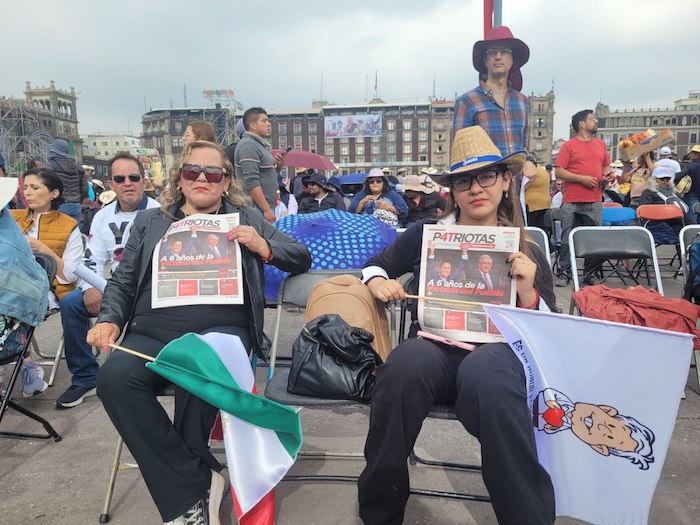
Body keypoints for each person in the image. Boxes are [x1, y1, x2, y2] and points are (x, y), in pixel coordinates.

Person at [89, 140, 311, 525]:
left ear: (226, 182)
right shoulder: (151, 221)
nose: (202, 179)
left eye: (213, 173)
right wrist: (109, 319)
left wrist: (263, 246)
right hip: (151, 330)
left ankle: (187, 502)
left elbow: (301, 256)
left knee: (199, 362)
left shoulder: (245, 217)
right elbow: (124, 282)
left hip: (221, 332)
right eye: (193, 171)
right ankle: (196, 476)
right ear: (180, 179)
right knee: (113, 378)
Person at [357, 126, 556, 525]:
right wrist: (379, 282)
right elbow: (375, 264)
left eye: (486, 176)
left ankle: (526, 517)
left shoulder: (525, 246)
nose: (475, 188)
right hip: (434, 345)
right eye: (464, 180)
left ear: (504, 181)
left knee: (489, 377)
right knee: (401, 368)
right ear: (452, 190)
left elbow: (550, 329)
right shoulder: (426, 234)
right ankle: (380, 510)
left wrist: (530, 290)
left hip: (496, 354)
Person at [56, 153, 159, 409]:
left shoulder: (160, 212)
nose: (128, 183)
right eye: (120, 178)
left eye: (134, 177)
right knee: (71, 303)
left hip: (149, 290)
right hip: (111, 287)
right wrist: (90, 287)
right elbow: (92, 257)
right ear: (110, 184)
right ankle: (85, 377)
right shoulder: (102, 216)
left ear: (143, 181)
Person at [11, 168, 83, 398]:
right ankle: (27, 363)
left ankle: (26, 364)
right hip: (10, 285)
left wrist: (45, 250)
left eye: (35, 188)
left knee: (14, 299)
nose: (27, 193)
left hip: (50, 289)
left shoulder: (68, 225)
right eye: (25, 188)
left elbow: (71, 275)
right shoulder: (11, 218)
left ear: (53, 193)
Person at [452, 26, 538, 218]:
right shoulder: (467, 101)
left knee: (517, 245)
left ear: (512, 59)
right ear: (485, 60)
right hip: (483, 195)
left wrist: (530, 160)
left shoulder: (522, 101)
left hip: (515, 192)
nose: (498, 56)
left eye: (505, 51)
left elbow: (524, 145)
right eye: (493, 52)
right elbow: (458, 155)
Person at [554, 110, 613, 287]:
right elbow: (558, 171)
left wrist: (608, 175)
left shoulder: (601, 145)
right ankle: (564, 272)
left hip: (594, 198)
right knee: (566, 237)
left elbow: (605, 167)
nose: (596, 121)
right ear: (581, 124)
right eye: (592, 119)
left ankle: (590, 273)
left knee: (593, 237)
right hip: (572, 199)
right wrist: (582, 179)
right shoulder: (569, 146)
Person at [234, 107, 284, 223]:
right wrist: (266, 210)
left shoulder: (258, 145)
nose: (268, 124)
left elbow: (263, 176)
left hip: (262, 207)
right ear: (252, 125)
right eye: (264, 121)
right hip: (256, 208)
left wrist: (278, 167)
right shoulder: (248, 145)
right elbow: (251, 181)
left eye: (268, 120)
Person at [638, 165, 692, 239]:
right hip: (654, 219)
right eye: (662, 178)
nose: (665, 181)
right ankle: (694, 230)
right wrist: (664, 210)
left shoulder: (673, 192)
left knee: (680, 227)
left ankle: (685, 248)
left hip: (672, 219)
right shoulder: (648, 192)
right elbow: (643, 208)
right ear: (654, 179)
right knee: (681, 217)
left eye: (668, 179)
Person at [47, 138, 88, 227]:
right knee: (75, 235)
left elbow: (45, 185)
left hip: (59, 205)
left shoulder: (50, 166)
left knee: (59, 236)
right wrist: (78, 200)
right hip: (76, 205)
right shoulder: (78, 167)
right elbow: (85, 189)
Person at [524, 162, 552, 230]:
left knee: (532, 229)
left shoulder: (531, 171)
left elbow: (524, 188)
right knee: (542, 227)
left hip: (532, 205)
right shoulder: (543, 171)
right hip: (545, 203)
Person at [678, 144, 700, 222]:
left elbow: (680, 175)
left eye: (691, 153)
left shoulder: (690, 166)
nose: (690, 155)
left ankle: (694, 233)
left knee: (693, 215)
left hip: (693, 193)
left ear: (695, 154)